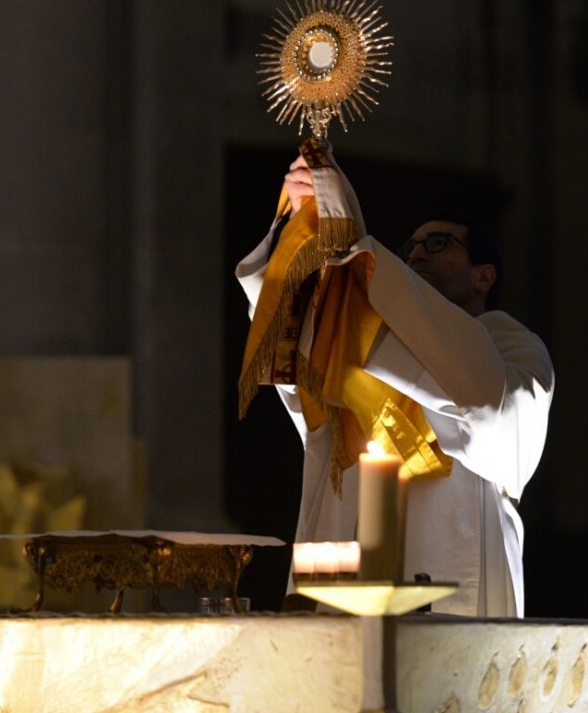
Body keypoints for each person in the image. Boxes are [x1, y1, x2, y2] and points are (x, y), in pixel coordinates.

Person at [235, 140, 553, 617]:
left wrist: (358, 247)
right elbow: (296, 336)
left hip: (449, 564)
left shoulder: (513, 344)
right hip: (351, 544)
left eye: (439, 243)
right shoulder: (366, 327)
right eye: (410, 248)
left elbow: (487, 409)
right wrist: (304, 224)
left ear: (483, 276)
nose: (417, 253)